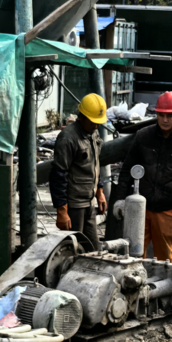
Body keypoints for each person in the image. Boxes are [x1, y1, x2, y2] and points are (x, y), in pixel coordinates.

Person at [112, 91, 172, 262]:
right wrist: (120, 199)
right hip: (140, 208)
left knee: (165, 258)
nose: (165, 120)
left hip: (168, 209)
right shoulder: (143, 136)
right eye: (161, 115)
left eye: (170, 116)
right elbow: (127, 169)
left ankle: (164, 280)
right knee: (134, 254)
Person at [49, 93, 108, 252]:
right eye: (93, 122)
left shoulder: (93, 133)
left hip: (89, 203)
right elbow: (58, 175)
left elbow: (94, 165)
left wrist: (99, 191)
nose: (96, 126)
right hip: (74, 206)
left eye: (98, 123)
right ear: (82, 117)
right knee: (73, 251)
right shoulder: (68, 138)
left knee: (93, 251)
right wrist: (62, 211)